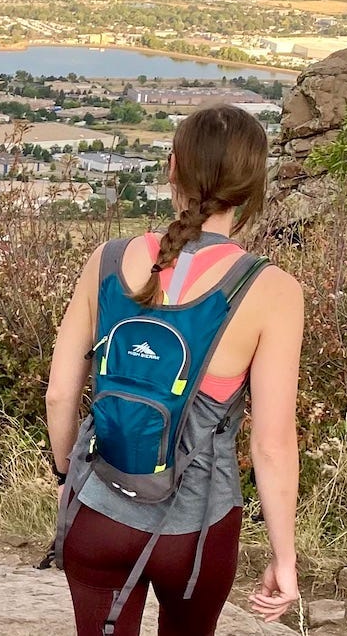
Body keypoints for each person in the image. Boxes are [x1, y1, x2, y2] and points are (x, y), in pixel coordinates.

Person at [45, 103, 304, 636]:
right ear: (254, 186)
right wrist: (284, 558)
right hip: (196, 530)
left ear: (171, 168)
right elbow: (272, 444)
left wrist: (72, 479)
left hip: (98, 511)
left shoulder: (109, 260)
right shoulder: (270, 290)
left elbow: (58, 395)